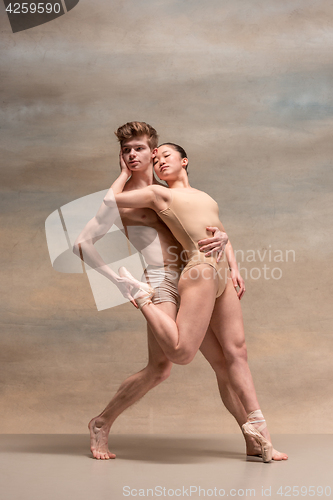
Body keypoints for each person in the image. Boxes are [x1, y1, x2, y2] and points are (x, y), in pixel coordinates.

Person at [104, 140, 288, 463]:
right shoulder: (161, 195)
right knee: (182, 352)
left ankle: (255, 437)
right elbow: (109, 204)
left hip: (220, 275)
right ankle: (141, 295)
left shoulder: (205, 197)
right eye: (156, 159)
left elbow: (220, 230)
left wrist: (234, 264)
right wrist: (123, 173)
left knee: (233, 355)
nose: (159, 161)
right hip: (199, 271)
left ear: (185, 160)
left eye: (166, 156)